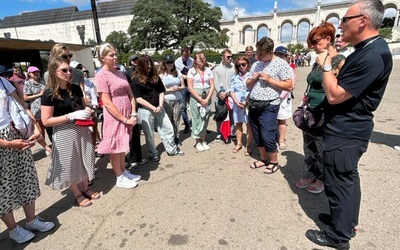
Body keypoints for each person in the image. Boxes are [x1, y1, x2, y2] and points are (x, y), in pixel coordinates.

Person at [305, 1, 393, 249]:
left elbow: (334, 94)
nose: (341, 25)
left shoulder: (373, 55)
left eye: (345, 19)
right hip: (348, 127)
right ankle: (343, 222)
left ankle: (338, 236)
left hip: (346, 130)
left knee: (338, 182)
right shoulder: (368, 49)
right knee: (346, 179)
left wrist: (324, 63)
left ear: (363, 20)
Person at [0, 76, 55, 244]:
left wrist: (35, 125)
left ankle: (31, 220)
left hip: (16, 131)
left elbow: (21, 104)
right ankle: (13, 229)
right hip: (4, 140)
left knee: (27, 178)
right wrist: (8, 143)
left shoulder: (2, 81)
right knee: (3, 188)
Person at [41, 57, 100, 206]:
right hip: (63, 132)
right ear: (54, 72)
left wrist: (87, 110)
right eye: (64, 70)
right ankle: (77, 193)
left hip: (81, 128)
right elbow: (46, 120)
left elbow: (84, 106)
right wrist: (70, 116)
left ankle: (85, 188)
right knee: (70, 164)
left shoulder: (75, 88)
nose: (68, 73)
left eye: (70, 70)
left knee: (85, 157)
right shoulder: (48, 93)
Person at [296, 22, 345, 194]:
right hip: (310, 108)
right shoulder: (318, 59)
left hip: (324, 110)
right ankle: (309, 173)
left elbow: (339, 89)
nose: (312, 46)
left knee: (322, 147)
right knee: (309, 145)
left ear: (328, 39)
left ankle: (322, 178)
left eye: (315, 42)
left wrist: (328, 64)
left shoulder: (339, 60)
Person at [95, 43, 141, 189]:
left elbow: (130, 94)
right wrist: (124, 119)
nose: (115, 57)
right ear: (102, 58)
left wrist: (133, 113)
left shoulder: (119, 72)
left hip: (127, 113)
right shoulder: (101, 75)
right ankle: (119, 177)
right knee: (115, 146)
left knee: (121, 146)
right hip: (115, 116)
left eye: (115, 54)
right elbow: (107, 103)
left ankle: (123, 171)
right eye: (111, 55)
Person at [246, 37, 292, 174]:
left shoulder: (281, 64)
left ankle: (274, 162)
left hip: (270, 105)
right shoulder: (256, 64)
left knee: (267, 134)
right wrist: (252, 79)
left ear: (271, 52)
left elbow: (289, 85)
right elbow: (247, 85)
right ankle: (263, 159)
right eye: (257, 53)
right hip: (254, 104)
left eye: (261, 54)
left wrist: (269, 79)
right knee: (257, 133)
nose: (257, 56)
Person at [131, 54, 185, 160]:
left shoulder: (155, 76)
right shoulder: (136, 79)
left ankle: (172, 149)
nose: (150, 66)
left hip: (159, 107)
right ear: (141, 65)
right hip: (145, 109)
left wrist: (160, 105)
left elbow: (161, 91)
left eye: (150, 63)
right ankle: (153, 153)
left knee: (168, 128)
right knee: (149, 134)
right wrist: (152, 107)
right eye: (146, 64)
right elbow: (138, 98)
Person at [123, 54, 148, 168]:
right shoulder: (127, 73)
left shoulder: (141, 71)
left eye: (137, 60)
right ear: (130, 62)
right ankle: (132, 158)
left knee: (137, 132)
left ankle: (137, 157)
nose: (135, 62)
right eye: (133, 60)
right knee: (132, 133)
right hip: (130, 104)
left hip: (138, 104)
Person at [187, 52, 215, 151]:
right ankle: (197, 141)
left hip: (206, 95)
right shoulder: (191, 71)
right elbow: (190, 88)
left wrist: (207, 99)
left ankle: (203, 140)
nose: (202, 60)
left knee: (205, 118)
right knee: (197, 119)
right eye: (200, 59)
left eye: (203, 58)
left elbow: (212, 85)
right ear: (195, 60)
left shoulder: (208, 70)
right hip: (196, 96)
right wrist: (200, 100)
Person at [23, 66, 52, 156]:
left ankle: (54, 144)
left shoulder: (43, 81)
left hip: (47, 107)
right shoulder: (28, 84)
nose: (36, 73)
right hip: (36, 109)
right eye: (34, 72)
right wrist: (39, 94)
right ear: (29, 74)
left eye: (37, 72)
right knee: (40, 129)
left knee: (50, 127)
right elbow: (25, 97)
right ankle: (45, 147)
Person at [159, 55, 185, 145]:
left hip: (178, 99)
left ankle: (176, 137)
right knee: (169, 120)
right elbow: (161, 89)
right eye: (168, 63)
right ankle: (170, 138)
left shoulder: (177, 72)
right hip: (167, 100)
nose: (170, 64)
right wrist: (171, 89)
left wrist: (178, 88)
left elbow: (183, 86)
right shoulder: (162, 75)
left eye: (171, 62)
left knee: (176, 119)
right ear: (164, 64)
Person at [229, 56, 253, 156]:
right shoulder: (234, 76)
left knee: (248, 124)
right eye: (239, 65)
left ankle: (248, 145)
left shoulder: (251, 76)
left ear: (247, 65)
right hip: (237, 103)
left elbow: (253, 90)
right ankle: (239, 143)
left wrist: (247, 102)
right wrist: (236, 101)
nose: (241, 67)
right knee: (238, 123)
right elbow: (231, 90)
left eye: (243, 64)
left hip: (248, 103)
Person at [273, 46, 296, 151]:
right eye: (277, 54)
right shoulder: (271, 66)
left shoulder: (289, 68)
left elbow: (290, 85)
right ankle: (272, 139)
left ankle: (281, 139)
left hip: (283, 98)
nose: (279, 57)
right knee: (271, 120)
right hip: (272, 97)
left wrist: (279, 96)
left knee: (282, 120)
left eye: (281, 55)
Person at [212, 49, 235, 142]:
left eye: (231, 56)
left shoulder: (233, 69)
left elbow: (233, 82)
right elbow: (215, 82)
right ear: (222, 57)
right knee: (220, 113)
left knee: (231, 114)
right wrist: (220, 93)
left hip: (230, 95)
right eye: (228, 57)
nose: (230, 58)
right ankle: (219, 132)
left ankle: (232, 132)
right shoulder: (216, 69)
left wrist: (228, 92)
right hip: (220, 96)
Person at [175, 47, 194, 134]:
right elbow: (184, 71)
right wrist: (188, 75)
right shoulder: (177, 61)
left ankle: (196, 123)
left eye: (188, 56)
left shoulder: (191, 60)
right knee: (183, 107)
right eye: (185, 56)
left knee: (195, 105)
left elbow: (190, 72)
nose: (186, 58)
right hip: (183, 86)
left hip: (191, 85)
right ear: (182, 54)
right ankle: (187, 124)